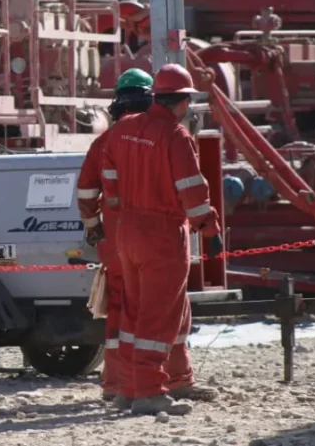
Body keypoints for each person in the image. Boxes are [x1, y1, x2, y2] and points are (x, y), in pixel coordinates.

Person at [100, 63, 224, 416]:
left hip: (127, 231)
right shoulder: (175, 136)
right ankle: (150, 392)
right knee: (159, 317)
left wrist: (122, 209)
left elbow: (109, 179)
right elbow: (193, 191)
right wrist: (210, 230)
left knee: (134, 314)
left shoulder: (123, 129)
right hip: (163, 236)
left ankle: (128, 389)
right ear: (182, 101)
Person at [75, 68, 154, 408]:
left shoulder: (104, 142)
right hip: (153, 237)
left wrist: (95, 229)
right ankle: (159, 381)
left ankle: (116, 383)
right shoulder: (160, 137)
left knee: (119, 310)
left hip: (115, 238)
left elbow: (86, 193)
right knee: (155, 307)